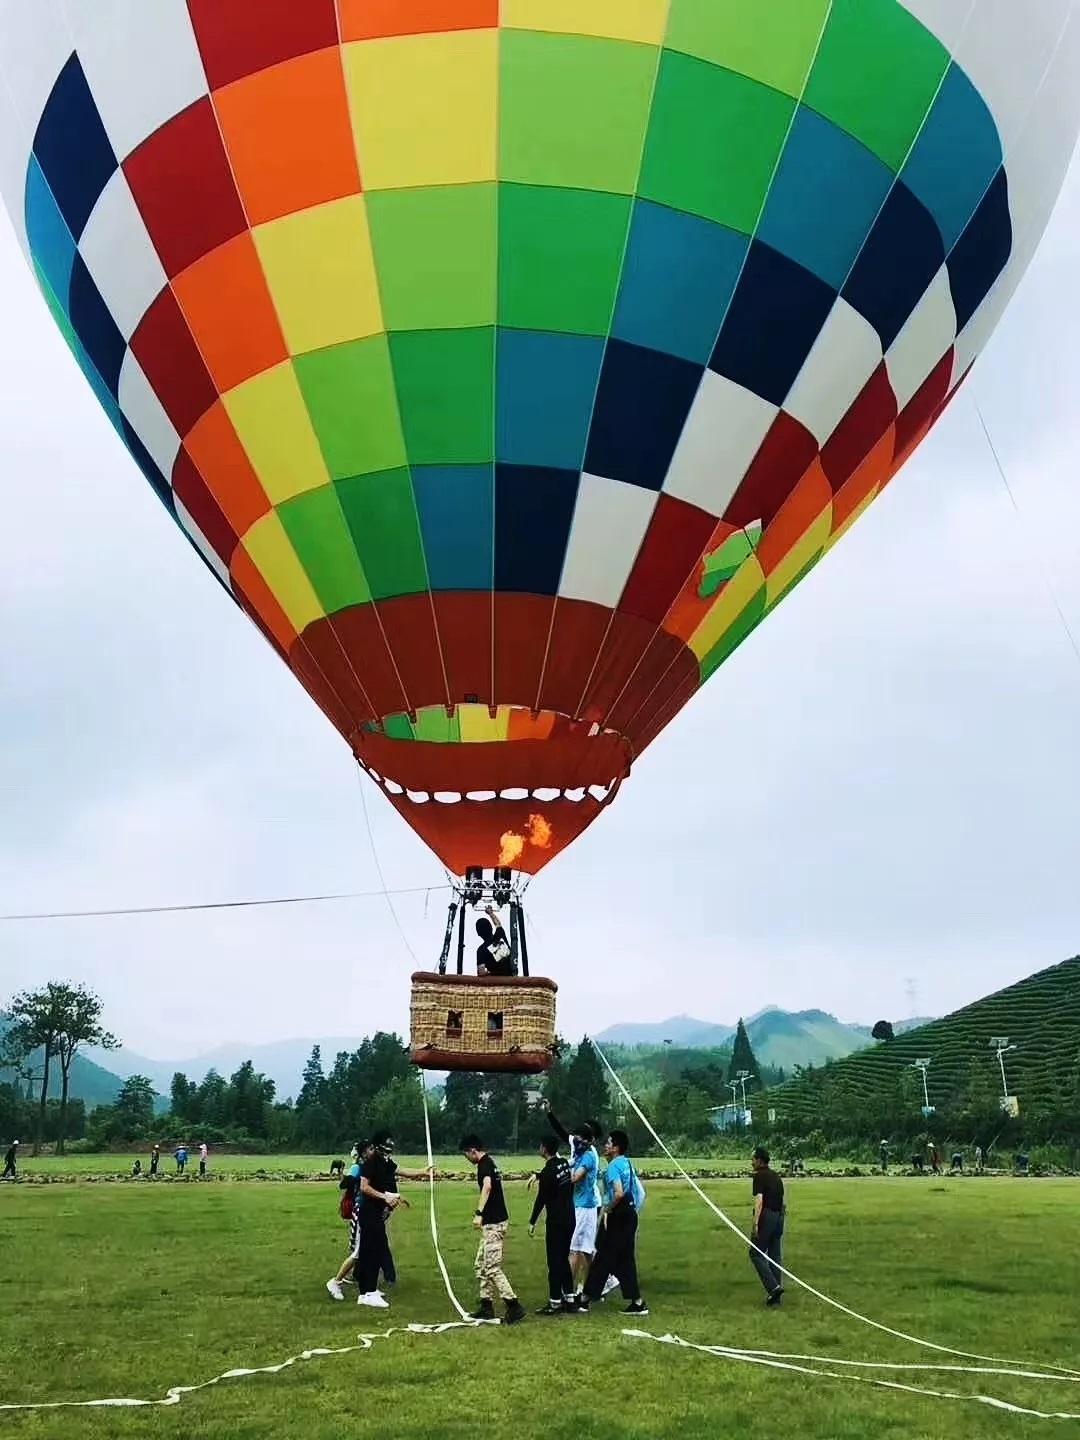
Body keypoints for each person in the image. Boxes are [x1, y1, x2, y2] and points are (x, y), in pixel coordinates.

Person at [579, 1131, 648, 1317]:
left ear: (616, 1148)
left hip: (619, 1215)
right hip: (629, 1214)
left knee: (603, 1257)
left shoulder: (613, 1167)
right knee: (624, 1259)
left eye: (609, 1143)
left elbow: (618, 1193)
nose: (605, 1146)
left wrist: (608, 1210)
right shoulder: (626, 1163)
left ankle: (585, 1299)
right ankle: (637, 1303)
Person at [462, 1134, 525, 1324]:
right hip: (491, 1223)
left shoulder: (485, 1165)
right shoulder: (488, 1163)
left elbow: (487, 1187)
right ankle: (486, 1306)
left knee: (492, 1267)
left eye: (466, 1154)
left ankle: (514, 1305)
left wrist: (479, 1212)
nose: (466, 1158)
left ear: (473, 1150)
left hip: (494, 1224)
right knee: (480, 1265)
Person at [547, 1111, 601, 1302]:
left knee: (574, 1249)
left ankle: (566, 1292)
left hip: (583, 1207)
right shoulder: (579, 1154)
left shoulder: (588, 1156)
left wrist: (555, 1179)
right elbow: (567, 1164)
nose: (576, 1141)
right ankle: (591, 1289)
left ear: (590, 1140)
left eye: (580, 1139)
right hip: (584, 1205)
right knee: (586, 1250)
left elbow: (575, 1178)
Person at [353, 1135, 402, 1308]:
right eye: (387, 1142)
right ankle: (369, 1292)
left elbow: (400, 1170)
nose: (391, 1145)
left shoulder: (383, 1162)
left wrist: (423, 1172)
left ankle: (366, 1292)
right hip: (369, 1212)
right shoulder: (371, 1162)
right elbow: (364, 1187)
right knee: (371, 1252)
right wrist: (385, 1197)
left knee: (371, 1251)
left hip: (376, 1213)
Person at [528, 1134, 576, 1315]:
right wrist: (538, 1175)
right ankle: (570, 1298)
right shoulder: (563, 1164)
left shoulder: (548, 1172)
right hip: (570, 1218)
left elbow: (541, 1199)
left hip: (556, 1222)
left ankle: (555, 1302)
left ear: (544, 1149)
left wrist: (532, 1221)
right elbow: (554, 1175)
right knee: (563, 1259)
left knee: (554, 1262)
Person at [327, 1138, 372, 1300]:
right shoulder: (358, 1167)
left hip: (367, 1211)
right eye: (370, 1149)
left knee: (367, 1249)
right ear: (363, 1153)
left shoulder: (367, 1167)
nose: (373, 1151)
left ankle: (366, 1284)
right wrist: (349, 1170)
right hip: (361, 1211)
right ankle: (336, 1281)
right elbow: (345, 1184)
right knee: (359, 1251)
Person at [748, 1145, 785, 1307]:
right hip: (779, 1216)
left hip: (767, 1216)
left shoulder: (759, 1176)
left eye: (753, 1159)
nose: (751, 1162)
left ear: (759, 1160)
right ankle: (776, 1299)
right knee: (774, 1256)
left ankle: (774, 1288)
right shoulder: (775, 1176)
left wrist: (756, 1223)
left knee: (755, 1253)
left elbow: (759, 1200)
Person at [476, 905, 513, 977]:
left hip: (496, 981)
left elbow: (481, 973)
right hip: (511, 978)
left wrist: (491, 972)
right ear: (491, 928)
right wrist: (490, 913)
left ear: (478, 934)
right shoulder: (500, 934)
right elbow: (498, 924)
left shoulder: (481, 950)